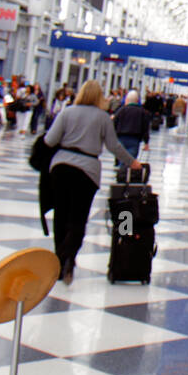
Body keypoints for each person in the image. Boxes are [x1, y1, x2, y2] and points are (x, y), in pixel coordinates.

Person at [42, 80, 142, 284]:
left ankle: (58, 263)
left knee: (61, 216)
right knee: (78, 218)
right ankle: (66, 257)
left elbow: (50, 140)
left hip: (61, 167)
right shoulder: (102, 117)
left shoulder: (67, 112)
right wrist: (131, 162)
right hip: (86, 171)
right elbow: (113, 145)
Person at [111, 90, 150, 170]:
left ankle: (121, 174)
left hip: (121, 138)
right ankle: (125, 175)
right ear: (137, 101)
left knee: (122, 158)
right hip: (134, 139)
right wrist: (146, 142)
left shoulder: (121, 110)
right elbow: (145, 128)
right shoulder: (142, 112)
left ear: (127, 100)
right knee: (130, 160)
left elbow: (114, 123)